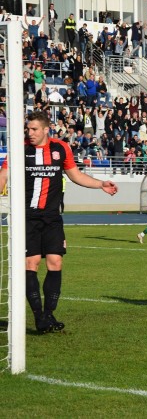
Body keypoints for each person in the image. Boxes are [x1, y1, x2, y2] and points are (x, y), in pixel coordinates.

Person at [0, 111, 118, 333]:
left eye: (34, 129)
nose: (30, 133)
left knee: (55, 262)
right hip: (27, 217)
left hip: (52, 217)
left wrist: (101, 184)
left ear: (46, 129)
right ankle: (39, 317)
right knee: (31, 264)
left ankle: (48, 314)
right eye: (28, 129)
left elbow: (75, 175)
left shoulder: (60, 148)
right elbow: (4, 174)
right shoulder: (20, 149)